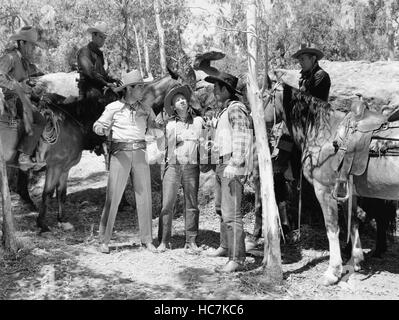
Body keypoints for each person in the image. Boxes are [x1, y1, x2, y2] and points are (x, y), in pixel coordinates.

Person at [93, 70, 157, 254]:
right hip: (120, 155)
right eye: (140, 87)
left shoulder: (146, 109)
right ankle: (103, 240)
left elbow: (156, 127)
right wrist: (101, 129)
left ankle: (147, 240)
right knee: (113, 196)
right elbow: (98, 125)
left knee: (145, 196)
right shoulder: (113, 107)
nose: (143, 90)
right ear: (129, 89)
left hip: (140, 153)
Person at [204, 71, 253, 273]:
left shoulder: (235, 109)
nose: (214, 91)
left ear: (225, 90)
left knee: (232, 213)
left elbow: (242, 136)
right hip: (222, 163)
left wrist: (236, 162)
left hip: (231, 164)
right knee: (221, 208)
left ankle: (237, 258)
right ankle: (225, 246)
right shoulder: (225, 111)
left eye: (216, 87)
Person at [157, 83, 204, 253]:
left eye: (184, 98)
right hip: (173, 166)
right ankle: (164, 240)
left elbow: (206, 141)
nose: (182, 101)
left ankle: (191, 241)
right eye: (178, 100)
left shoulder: (198, 121)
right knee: (167, 204)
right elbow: (159, 144)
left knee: (192, 204)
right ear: (173, 106)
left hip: (191, 167)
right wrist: (170, 140)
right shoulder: (168, 124)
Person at [0, 26, 46, 171]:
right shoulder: (10, 57)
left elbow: (33, 78)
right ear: (21, 43)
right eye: (31, 45)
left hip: (22, 98)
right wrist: (18, 86)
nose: (33, 49)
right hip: (11, 98)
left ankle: (37, 154)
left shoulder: (26, 62)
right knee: (40, 120)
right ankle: (24, 156)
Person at [77, 22, 121, 100]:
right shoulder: (84, 52)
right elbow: (90, 72)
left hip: (100, 87)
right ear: (93, 35)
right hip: (88, 90)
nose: (103, 40)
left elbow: (102, 74)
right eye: (101, 37)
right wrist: (106, 83)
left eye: (104, 38)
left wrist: (113, 80)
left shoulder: (99, 54)